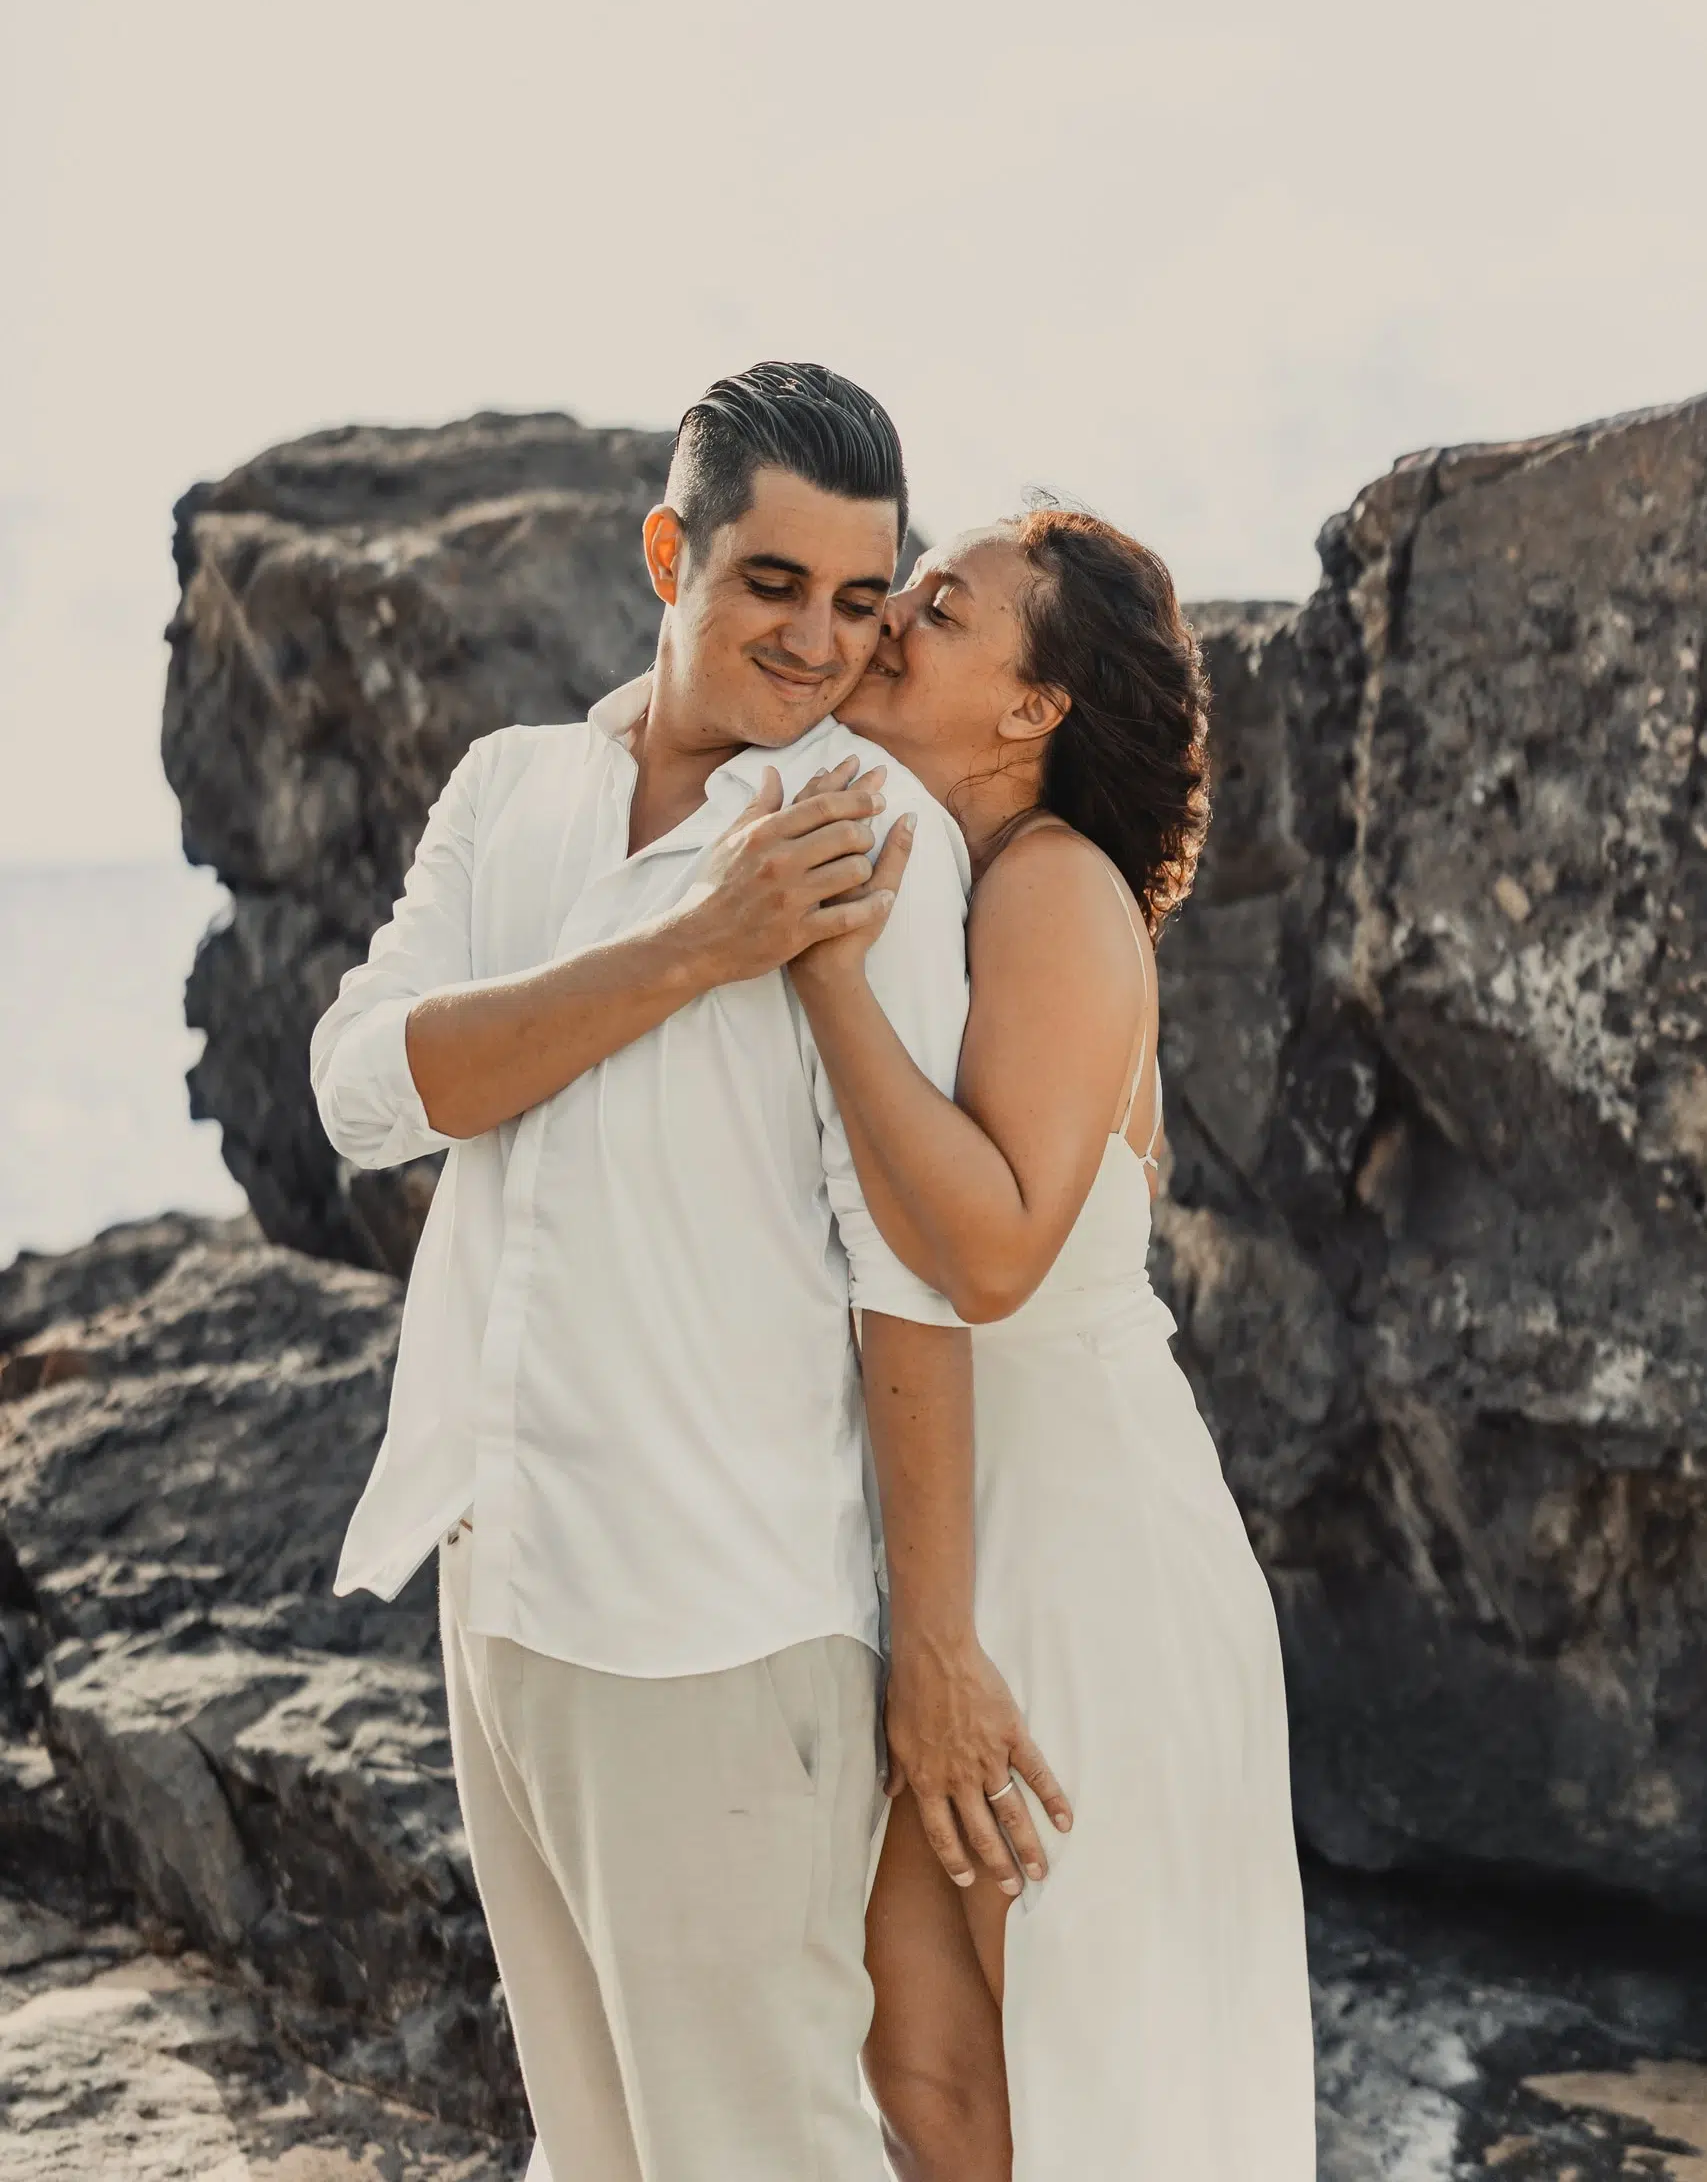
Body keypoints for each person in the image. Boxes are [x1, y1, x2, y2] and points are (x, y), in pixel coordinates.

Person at [307, 363, 1067, 2182]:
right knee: (593, 2149)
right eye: (770, 583)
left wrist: (934, 1648)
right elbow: (362, 1090)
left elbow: (910, 1274)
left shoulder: (864, 842)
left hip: (718, 1624)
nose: (819, 642)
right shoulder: (510, 793)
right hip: (496, 1587)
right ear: (670, 552)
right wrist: (694, 948)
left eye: (862, 600)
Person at [785, 509, 1318, 2180]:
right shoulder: (946, 879)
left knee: (1090, 2087)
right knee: (931, 2074)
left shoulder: (1051, 890)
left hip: (1091, 1560)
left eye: (938, 609)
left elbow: (997, 1251)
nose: (888, 626)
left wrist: (819, 988)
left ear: (1034, 708)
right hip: (966, 1532)